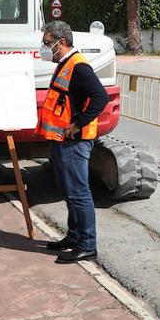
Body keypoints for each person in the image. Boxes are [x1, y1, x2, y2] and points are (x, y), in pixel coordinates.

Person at [37, 20, 108, 263]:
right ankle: (74, 236)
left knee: (79, 194)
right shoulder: (65, 64)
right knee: (69, 192)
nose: (45, 48)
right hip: (61, 140)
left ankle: (87, 245)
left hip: (74, 143)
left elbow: (100, 98)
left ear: (62, 42)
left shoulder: (79, 67)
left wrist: (77, 124)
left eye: (48, 43)